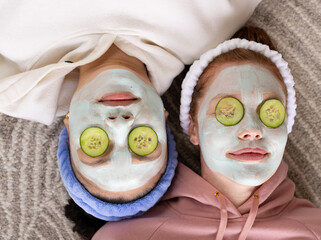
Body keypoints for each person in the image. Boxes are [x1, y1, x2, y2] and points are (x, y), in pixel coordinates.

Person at [0, 0, 262, 222]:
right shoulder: (211, 22)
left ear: (69, 125)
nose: (120, 123)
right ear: (163, 117)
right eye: (142, 143)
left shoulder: (11, 60)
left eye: (96, 145)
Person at [92, 26, 321, 240]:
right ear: (194, 128)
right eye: (228, 112)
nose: (252, 130)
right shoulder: (128, 236)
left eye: (270, 113)